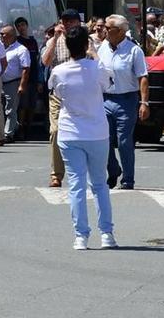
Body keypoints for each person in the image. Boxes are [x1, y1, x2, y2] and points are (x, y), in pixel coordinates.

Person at [50, 24, 115, 249]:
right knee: (99, 183)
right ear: (86, 45)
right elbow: (108, 83)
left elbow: (56, 92)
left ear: (67, 47)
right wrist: (95, 54)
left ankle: (81, 236)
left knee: (76, 185)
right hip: (96, 132)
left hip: (70, 132)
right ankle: (106, 234)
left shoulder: (59, 71)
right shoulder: (97, 68)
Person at [96, 14, 150, 191]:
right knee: (104, 140)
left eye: (108, 28)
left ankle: (128, 179)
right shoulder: (101, 48)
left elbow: (142, 77)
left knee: (124, 141)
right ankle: (113, 170)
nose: (104, 30)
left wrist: (144, 103)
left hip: (126, 100)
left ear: (119, 32)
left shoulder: (134, 50)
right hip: (105, 99)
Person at [40, 14, 75, 187]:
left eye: (71, 21)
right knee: (55, 130)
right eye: (64, 21)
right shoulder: (55, 40)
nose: (67, 24)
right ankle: (56, 175)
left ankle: (82, 172)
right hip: (57, 93)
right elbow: (45, 62)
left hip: (77, 93)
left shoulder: (85, 40)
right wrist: (54, 39)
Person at [0, 23, 31, 144]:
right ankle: (1, 133)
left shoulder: (21, 50)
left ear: (11, 35)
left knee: (10, 109)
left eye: (3, 34)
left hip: (13, 83)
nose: (0, 36)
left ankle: (8, 134)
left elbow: (26, 68)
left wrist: (22, 85)